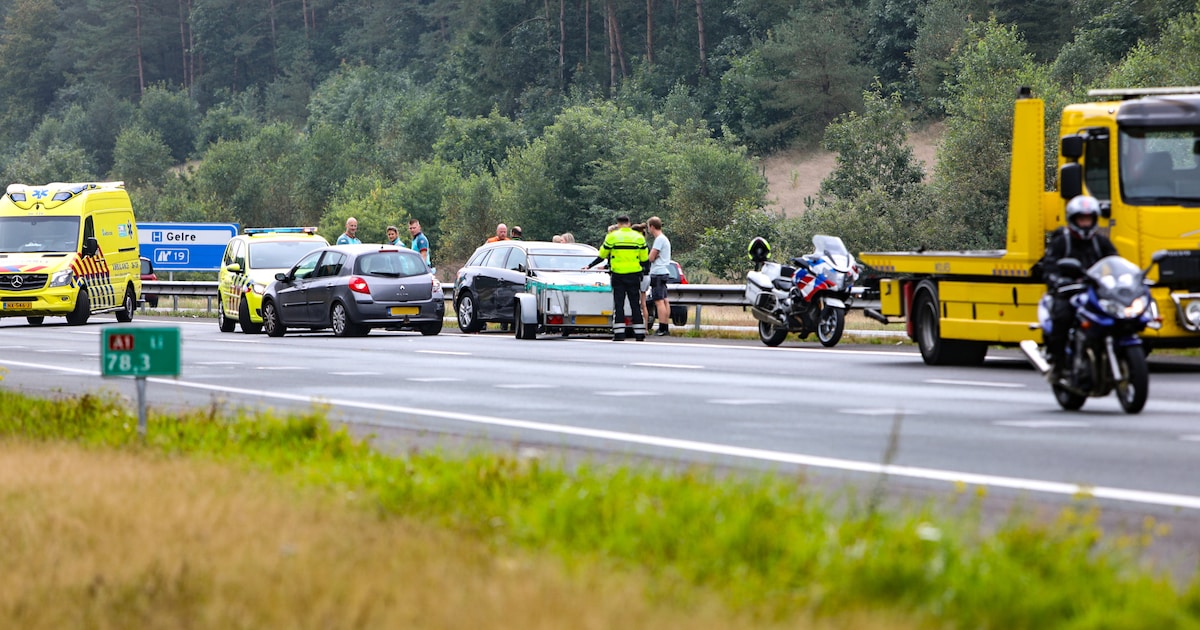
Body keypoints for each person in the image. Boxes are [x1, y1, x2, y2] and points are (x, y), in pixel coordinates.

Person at [1041, 195, 1118, 372]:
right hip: (1069, 291)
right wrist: (1056, 280)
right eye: (1081, 219)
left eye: (1088, 219)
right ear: (1073, 220)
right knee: (1063, 316)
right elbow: (1049, 265)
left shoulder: (1101, 242)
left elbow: (1115, 261)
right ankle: (1058, 364)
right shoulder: (1062, 241)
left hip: (1096, 290)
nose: (1085, 223)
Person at [585, 214, 648, 341]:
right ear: (629, 223)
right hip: (634, 274)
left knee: (619, 304)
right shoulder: (638, 237)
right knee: (635, 304)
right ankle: (640, 334)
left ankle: (619, 334)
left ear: (618, 224)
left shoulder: (612, 236)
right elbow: (644, 258)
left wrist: (590, 265)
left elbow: (602, 254)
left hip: (618, 275)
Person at [646, 216, 672, 336]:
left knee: (659, 301)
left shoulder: (659, 240)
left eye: (648, 227)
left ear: (652, 227)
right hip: (664, 271)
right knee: (665, 300)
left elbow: (650, 257)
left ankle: (662, 327)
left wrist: (652, 255)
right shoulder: (664, 239)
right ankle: (665, 325)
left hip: (658, 272)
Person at [631, 223, 651, 326]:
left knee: (637, 302)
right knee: (643, 303)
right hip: (647, 276)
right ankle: (646, 327)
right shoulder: (647, 245)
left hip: (639, 276)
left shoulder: (639, 245)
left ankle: (637, 325)